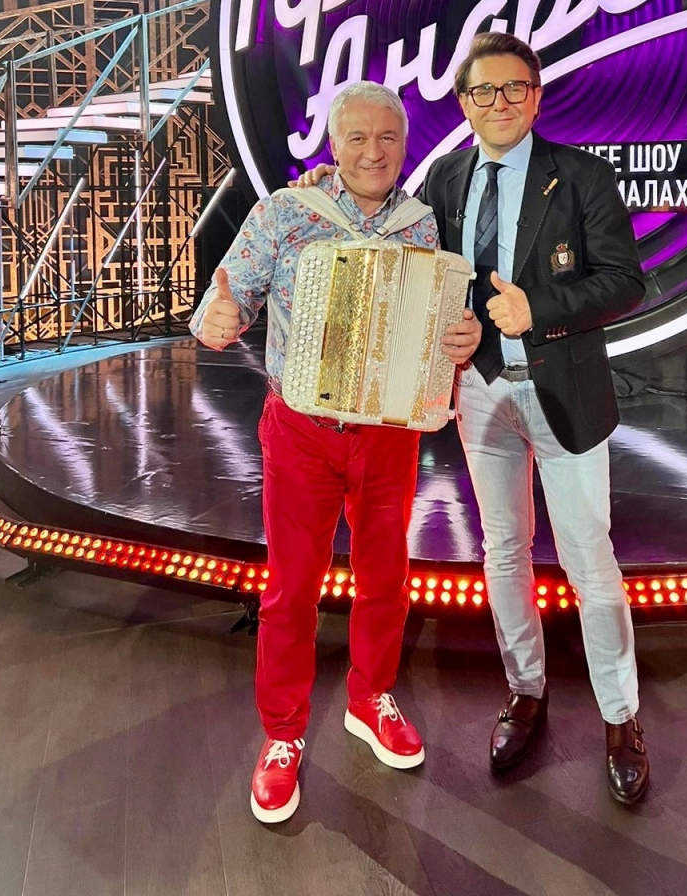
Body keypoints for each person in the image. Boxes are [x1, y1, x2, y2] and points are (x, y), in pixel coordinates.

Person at [299, 34, 650, 806]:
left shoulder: (583, 176)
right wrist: (330, 182)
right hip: (481, 393)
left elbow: (626, 281)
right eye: (483, 91)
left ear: (537, 95)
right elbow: (403, 244)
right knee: (503, 551)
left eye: (514, 88)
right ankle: (525, 692)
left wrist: (539, 310)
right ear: (462, 103)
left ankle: (621, 718)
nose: (499, 103)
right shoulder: (446, 178)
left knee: (589, 561)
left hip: (564, 395)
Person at [191, 81, 481, 825]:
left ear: (405, 144)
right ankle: (283, 733)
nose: (373, 152)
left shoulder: (422, 225)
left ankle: (370, 696)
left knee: (386, 577)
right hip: (302, 429)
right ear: (333, 144)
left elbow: (439, 323)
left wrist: (462, 338)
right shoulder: (286, 213)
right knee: (291, 588)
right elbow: (227, 299)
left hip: (388, 433)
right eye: (357, 137)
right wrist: (217, 317)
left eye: (387, 137)